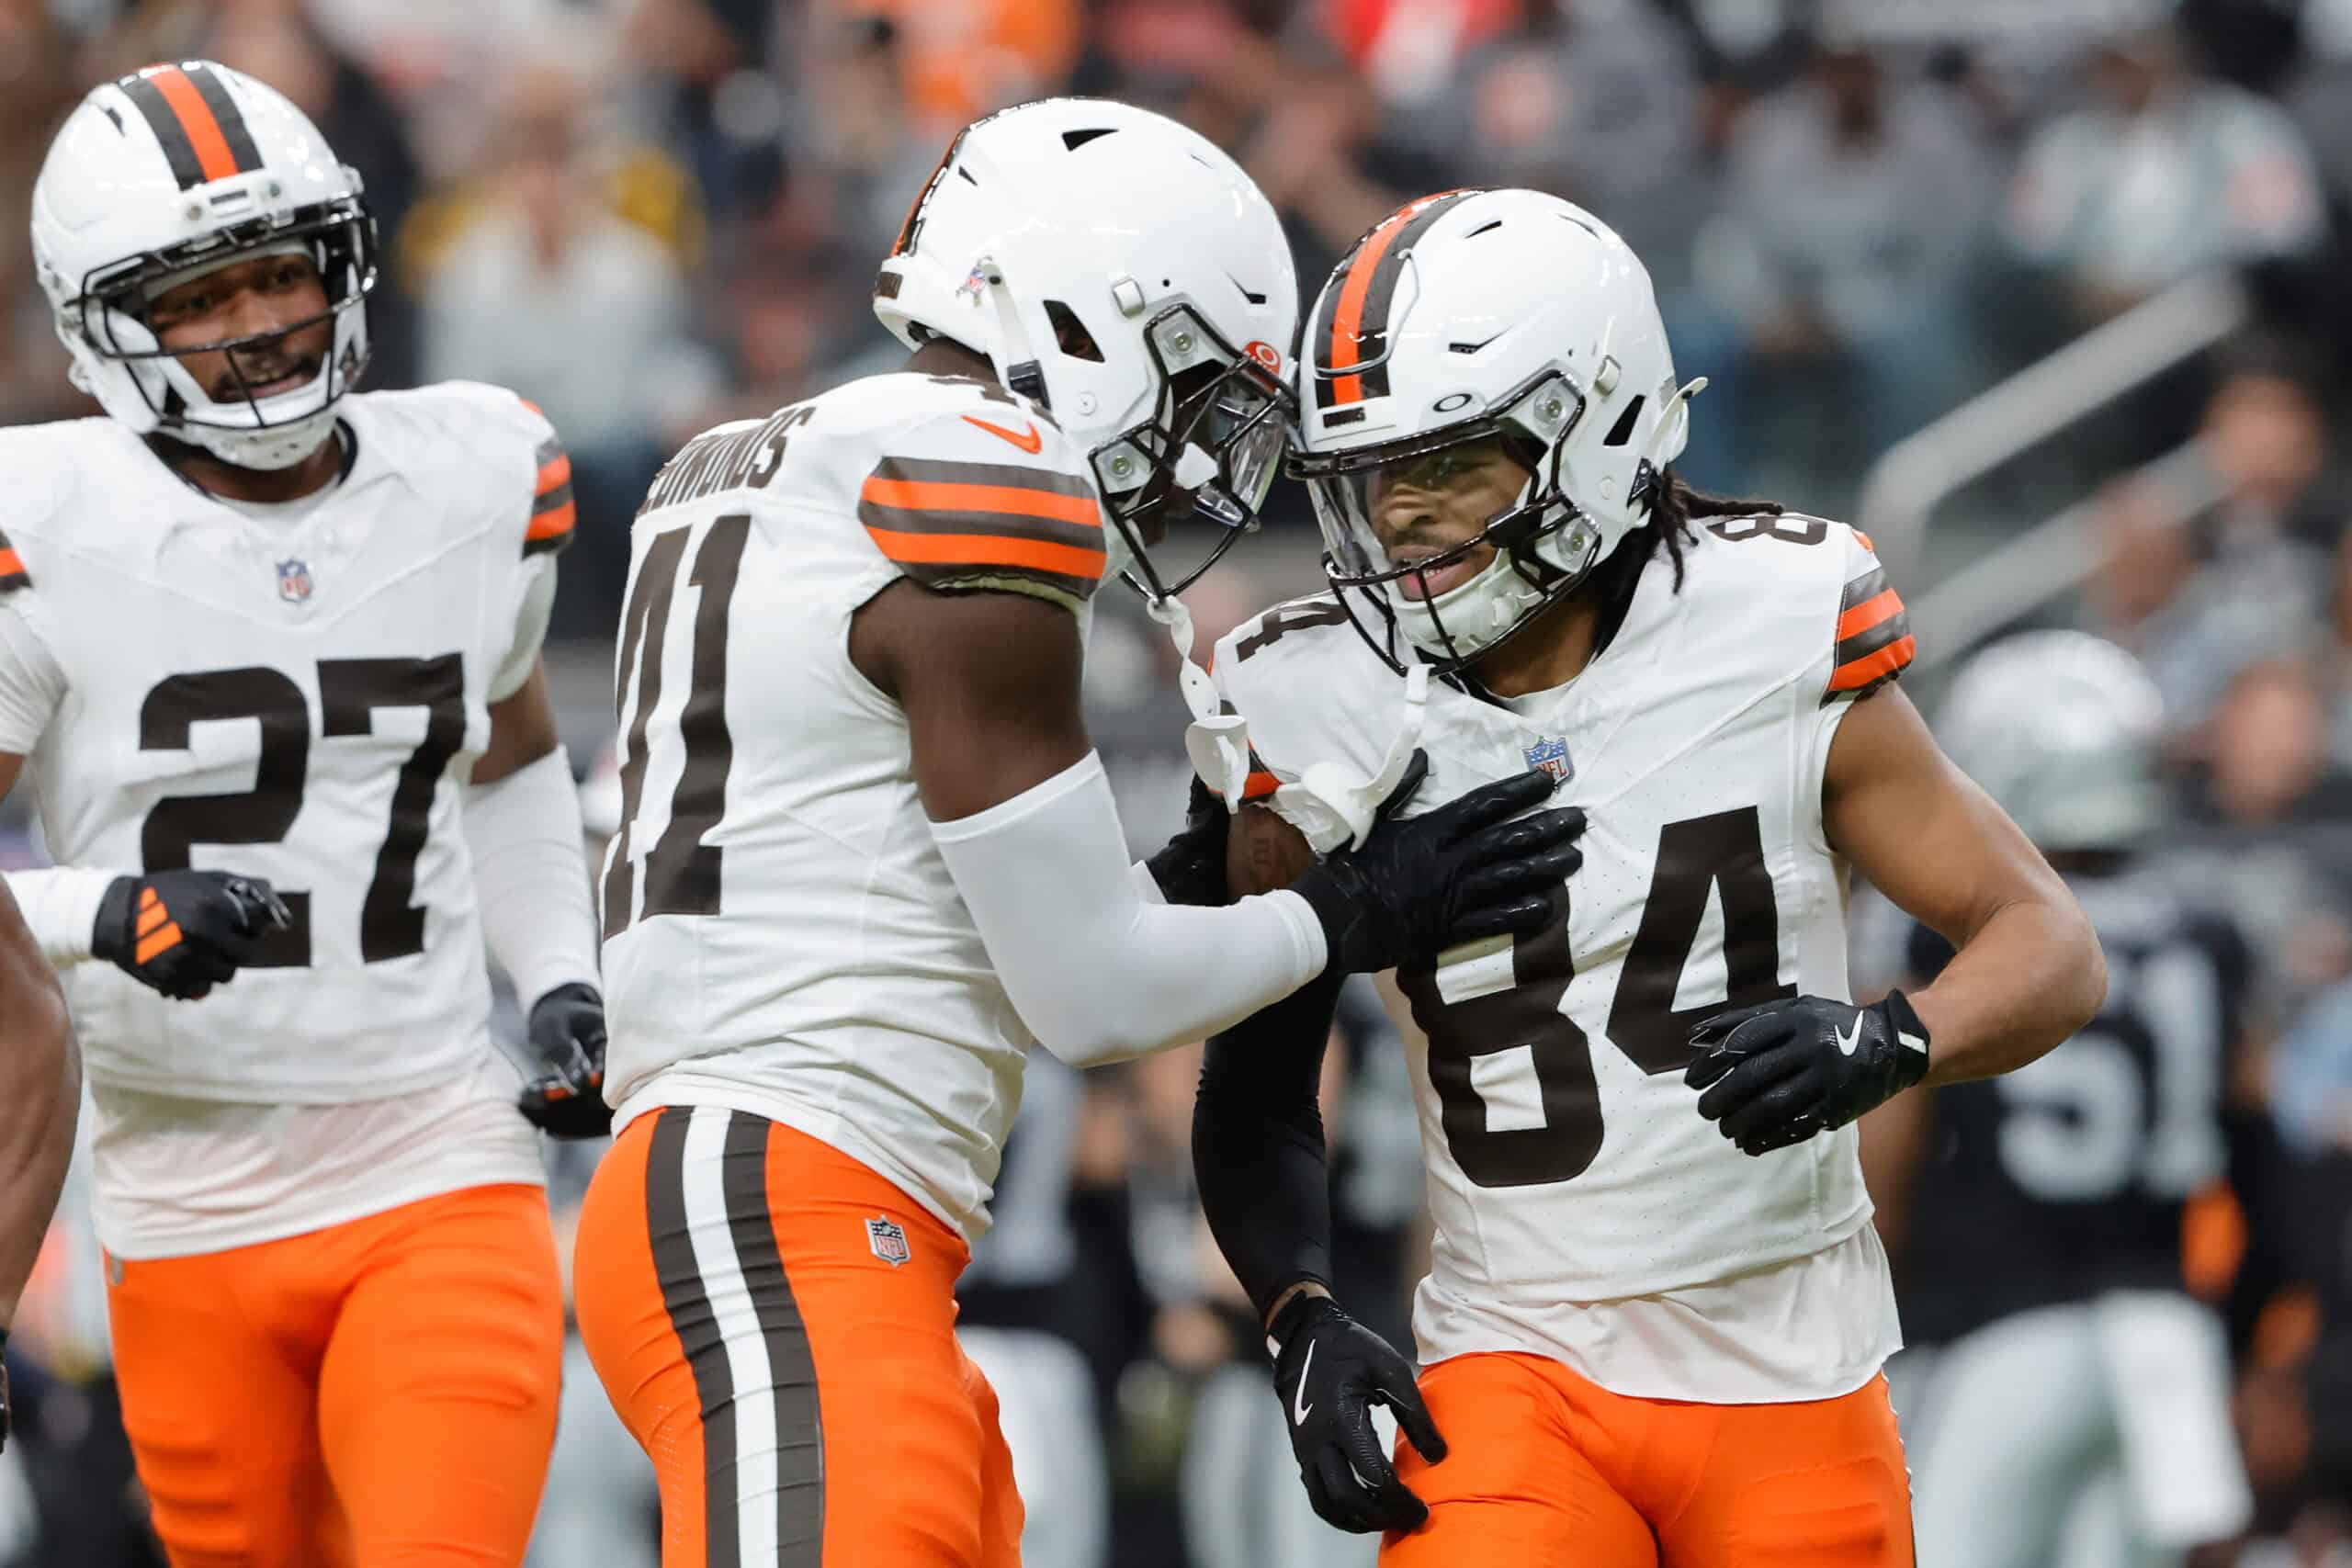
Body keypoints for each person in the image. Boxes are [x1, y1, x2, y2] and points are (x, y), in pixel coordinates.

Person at [571, 98, 1583, 1568]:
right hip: (791, 1199)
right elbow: (1092, 994)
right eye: (1195, 390)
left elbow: (948, 895)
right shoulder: (978, 474)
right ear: (1083, 314)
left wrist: (1207, 870)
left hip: (788, 1191)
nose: (1201, 458)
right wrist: (1362, 904)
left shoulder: (759, 459)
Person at [1188, 187, 2108, 1566]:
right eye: (1373, 473)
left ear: (1599, 421)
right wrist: (1299, 1307)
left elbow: (2048, 942)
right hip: (1515, 1355)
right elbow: (1254, 1076)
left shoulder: (1776, 623)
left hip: (1796, 1362)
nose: (1403, 515)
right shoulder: (1306, 690)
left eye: (1452, 460)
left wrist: (1893, 1035)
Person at [0, 61, 608, 1567]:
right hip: (178, 1192)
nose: (258, 322)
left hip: (434, 1156)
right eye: (200, 298)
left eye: (277, 272)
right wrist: (104, 914)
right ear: (104, 326)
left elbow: (512, 751)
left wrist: (563, 975)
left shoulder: (474, 470)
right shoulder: (49, 523)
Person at [1871, 633, 2254, 1568]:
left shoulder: (1951, 941)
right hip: (2169, 1331)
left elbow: (1886, 1160)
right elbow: (2255, 1128)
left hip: (2003, 1330)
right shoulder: (2208, 931)